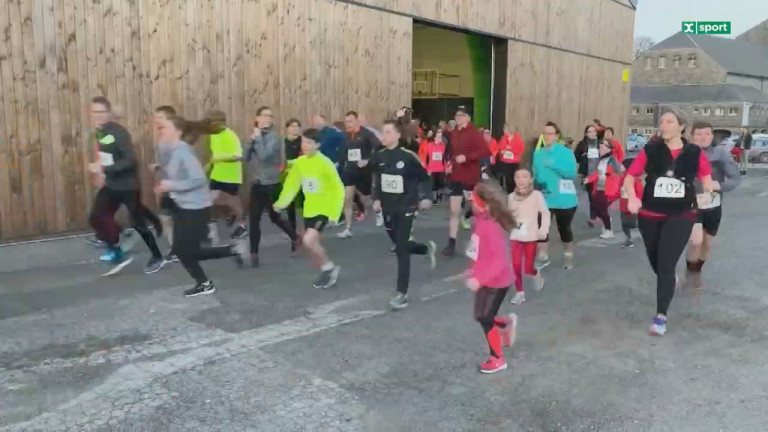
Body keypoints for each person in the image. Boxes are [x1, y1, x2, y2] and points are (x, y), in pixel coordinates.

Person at [623, 108, 714, 337]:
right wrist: (632, 197)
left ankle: (660, 316)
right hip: (650, 214)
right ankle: (668, 279)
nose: (663, 125)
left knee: (665, 264)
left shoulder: (694, 152)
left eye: (669, 121)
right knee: (656, 260)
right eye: (661, 121)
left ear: (681, 126)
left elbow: (706, 178)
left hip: (681, 215)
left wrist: (708, 193)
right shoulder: (651, 149)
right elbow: (630, 176)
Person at [153, 116, 247, 296]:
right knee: (183, 251)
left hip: (194, 209)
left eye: (164, 127)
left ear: (178, 132)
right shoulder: (174, 150)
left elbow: (198, 179)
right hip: (182, 206)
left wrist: (170, 186)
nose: (161, 131)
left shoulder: (182, 151)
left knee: (186, 251)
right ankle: (224, 259)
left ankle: (218, 267)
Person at [87, 96, 165, 276]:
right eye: (94, 112)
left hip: (128, 186)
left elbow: (130, 160)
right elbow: (103, 154)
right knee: (95, 217)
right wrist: (100, 172)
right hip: (111, 185)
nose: (97, 116)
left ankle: (157, 256)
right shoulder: (100, 132)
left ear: (108, 113)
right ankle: (115, 247)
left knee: (138, 223)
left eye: (101, 112)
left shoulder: (119, 133)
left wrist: (104, 168)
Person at [370, 120, 437, 310]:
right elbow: (376, 179)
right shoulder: (379, 157)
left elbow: (425, 178)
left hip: (406, 206)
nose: (384, 136)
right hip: (387, 207)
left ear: (398, 135)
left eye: (389, 132)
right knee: (400, 243)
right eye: (383, 132)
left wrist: (426, 197)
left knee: (400, 248)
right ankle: (425, 249)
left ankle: (401, 294)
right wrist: (375, 198)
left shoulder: (408, 157)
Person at [274, 128, 344, 289]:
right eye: (303, 142)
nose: (304, 145)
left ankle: (329, 268)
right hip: (309, 210)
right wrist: (281, 203)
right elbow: (292, 185)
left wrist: (335, 213)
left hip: (324, 209)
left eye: (309, 143)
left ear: (317, 145)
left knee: (308, 240)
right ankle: (328, 269)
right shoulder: (300, 162)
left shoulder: (325, 163)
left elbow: (338, 188)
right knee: (310, 245)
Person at [465, 180, 518, 374]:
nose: (470, 201)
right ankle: (505, 324)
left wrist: (480, 278)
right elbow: (478, 250)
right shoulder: (482, 220)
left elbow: (499, 261)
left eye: (473, 199)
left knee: (486, 318)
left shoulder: (491, 226)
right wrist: (473, 270)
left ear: (482, 203)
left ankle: (497, 358)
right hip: (485, 279)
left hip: (497, 282)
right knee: (480, 316)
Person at [683, 121, 740, 291]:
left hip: (713, 205)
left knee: (707, 243)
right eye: (699, 134)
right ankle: (691, 274)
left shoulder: (720, 154)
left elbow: (735, 178)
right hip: (691, 205)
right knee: (695, 241)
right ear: (691, 137)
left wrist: (719, 185)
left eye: (707, 133)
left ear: (712, 136)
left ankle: (696, 270)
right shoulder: (684, 154)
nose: (703, 137)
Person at [245, 106, 299, 267]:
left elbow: (263, 156)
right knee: (254, 219)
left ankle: (296, 238)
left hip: (271, 183)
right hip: (257, 183)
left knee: (275, 217)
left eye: (270, 116)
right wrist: (252, 140)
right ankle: (254, 253)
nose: (267, 119)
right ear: (257, 118)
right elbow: (246, 156)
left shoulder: (275, 138)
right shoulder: (256, 136)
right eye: (264, 116)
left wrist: (258, 138)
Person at [442, 107, 490, 256]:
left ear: (468, 118)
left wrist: (467, 158)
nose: (459, 118)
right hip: (456, 176)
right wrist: (448, 164)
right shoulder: (453, 133)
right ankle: (451, 243)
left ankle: (483, 241)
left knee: (476, 210)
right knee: (453, 209)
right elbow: (449, 151)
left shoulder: (474, 134)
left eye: (462, 115)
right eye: (457, 115)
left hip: (470, 176)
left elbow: (486, 152)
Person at [532, 121, 579, 270]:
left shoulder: (565, 152)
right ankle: (543, 256)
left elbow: (571, 174)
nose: (546, 136)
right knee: (541, 228)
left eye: (550, 133)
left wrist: (553, 165)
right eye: (544, 133)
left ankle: (568, 253)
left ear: (557, 135)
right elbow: (535, 174)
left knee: (564, 229)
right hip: (544, 197)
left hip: (564, 199)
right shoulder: (538, 153)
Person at [337, 111, 382, 238]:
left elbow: (379, 148)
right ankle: (348, 228)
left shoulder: (367, 134)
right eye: (346, 122)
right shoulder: (345, 136)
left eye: (350, 121)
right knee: (347, 199)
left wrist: (367, 159)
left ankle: (378, 211)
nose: (348, 124)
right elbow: (343, 153)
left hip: (364, 171)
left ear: (357, 121)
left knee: (368, 198)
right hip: (350, 171)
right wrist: (339, 163)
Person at [205, 110, 247, 242]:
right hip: (217, 174)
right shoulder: (213, 135)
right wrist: (208, 165)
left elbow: (238, 156)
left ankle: (242, 227)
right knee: (210, 200)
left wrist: (220, 158)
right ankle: (212, 230)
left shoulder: (230, 135)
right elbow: (215, 154)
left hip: (231, 176)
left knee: (233, 202)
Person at [508, 168, 548, 305]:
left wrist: (543, 230)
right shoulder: (511, 197)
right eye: (517, 177)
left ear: (531, 179)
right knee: (516, 265)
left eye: (524, 177)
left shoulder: (536, 195)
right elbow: (509, 215)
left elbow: (545, 213)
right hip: (516, 235)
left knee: (528, 268)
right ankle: (520, 293)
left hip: (530, 236)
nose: (521, 180)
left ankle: (536, 273)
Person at [584, 140, 625, 239]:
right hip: (598, 188)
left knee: (602, 210)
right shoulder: (601, 160)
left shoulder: (612, 160)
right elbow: (597, 174)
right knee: (595, 207)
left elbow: (622, 170)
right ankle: (606, 222)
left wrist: (612, 176)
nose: (601, 146)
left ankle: (609, 230)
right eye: (601, 145)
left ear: (609, 148)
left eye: (603, 145)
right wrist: (588, 179)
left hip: (608, 189)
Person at [574, 125, 601, 228]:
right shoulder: (582, 144)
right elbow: (576, 156)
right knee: (592, 196)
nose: (592, 134)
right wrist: (583, 156)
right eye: (589, 132)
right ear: (586, 133)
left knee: (599, 196)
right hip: (587, 173)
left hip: (599, 173)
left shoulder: (600, 144)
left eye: (593, 132)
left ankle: (598, 215)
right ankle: (593, 217)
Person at [282, 118, 304, 234]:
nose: (295, 129)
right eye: (292, 126)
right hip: (287, 176)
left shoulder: (303, 142)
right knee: (289, 204)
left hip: (302, 176)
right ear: (287, 128)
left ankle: (308, 228)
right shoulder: (283, 143)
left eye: (297, 126)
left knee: (304, 202)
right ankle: (292, 231)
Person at [618, 157, 643, 248]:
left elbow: (640, 192)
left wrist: (637, 202)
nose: (620, 166)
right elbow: (619, 191)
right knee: (624, 223)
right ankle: (628, 239)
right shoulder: (621, 179)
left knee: (634, 223)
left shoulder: (634, 179)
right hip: (623, 205)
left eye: (622, 165)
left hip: (632, 205)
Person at [496, 125, 525, 194]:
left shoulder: (518, 138)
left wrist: (510, 150)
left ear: (509, 130)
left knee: (514, 177)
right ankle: (509, 192)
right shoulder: (503, 138)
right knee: (507, 178)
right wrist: (502, 151)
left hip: (514, 162)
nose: (503, 130)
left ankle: (515, 191)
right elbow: (499, 148)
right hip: (505, 161)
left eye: (505, 129)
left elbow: (521, 149)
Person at [426, 129, 447, 203]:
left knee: (441, 183)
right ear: (434, 138)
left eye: (441, 137)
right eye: (438, 137)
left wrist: (446, 167)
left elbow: (444, 158)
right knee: (433, 184)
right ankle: (435, 198)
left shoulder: (443, 146)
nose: (440, 139)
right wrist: (427, 168)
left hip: (441, 168)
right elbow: (426, 157)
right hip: (432, 168)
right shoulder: (429, 145)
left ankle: (439, 194)